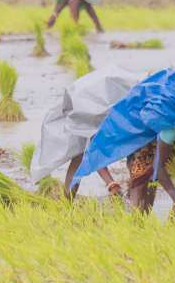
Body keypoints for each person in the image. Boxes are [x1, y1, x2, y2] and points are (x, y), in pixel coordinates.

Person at [72, 67, 175, 214]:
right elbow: (159, 168)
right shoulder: (171, 127)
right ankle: (136, 226)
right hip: (146, 142)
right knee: (141, 193)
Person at [29, 67, 139, 195]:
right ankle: (67, 202)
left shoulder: (125, 102)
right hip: (83, 105)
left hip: (104, 98)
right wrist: (111, 183)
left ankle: (132, 189)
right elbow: (93, 149)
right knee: (79, 156)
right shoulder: (87, 113)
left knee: (134, 151)